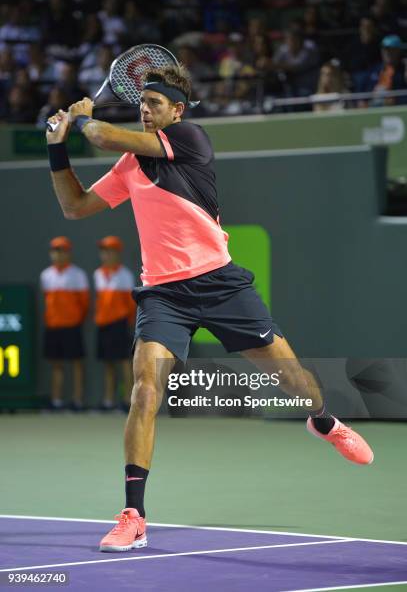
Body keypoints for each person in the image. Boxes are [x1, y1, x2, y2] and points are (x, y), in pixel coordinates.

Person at [45, 63, 374, 553]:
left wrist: (85, 119)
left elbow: (105, 136)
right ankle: (134, 515)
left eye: (154, 104)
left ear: (176, 110)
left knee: (293, 379)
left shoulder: (191, 139)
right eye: (142, 104)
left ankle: (323, 420)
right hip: (163, 294)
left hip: (221, 284)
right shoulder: (130, 168)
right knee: (144, 391)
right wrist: (55, 147)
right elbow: (74, 206)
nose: (146, 110)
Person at [40, 236, 89, 411]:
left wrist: (75, 319)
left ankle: (77, 401)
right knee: (56, 364)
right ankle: (57, 400)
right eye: (55, 251)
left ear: (68, 253)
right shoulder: (45, 275)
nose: (58, 255)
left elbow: (84, 303)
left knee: (76, 363)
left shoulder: (78, 275)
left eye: (61, 251)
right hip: (53, 326)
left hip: (72, 326)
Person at [94, 236, 136, 412]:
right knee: (108, 363)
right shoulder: (97, 274)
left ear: (117, 253)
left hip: (120, 324)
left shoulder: (125, 275)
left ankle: (128, 401)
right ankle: (109, 401)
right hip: (103, 324)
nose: (106, 254)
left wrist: (129, 323)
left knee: (125, 362)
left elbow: (131, 304)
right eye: (103, 251)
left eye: (109, 250)